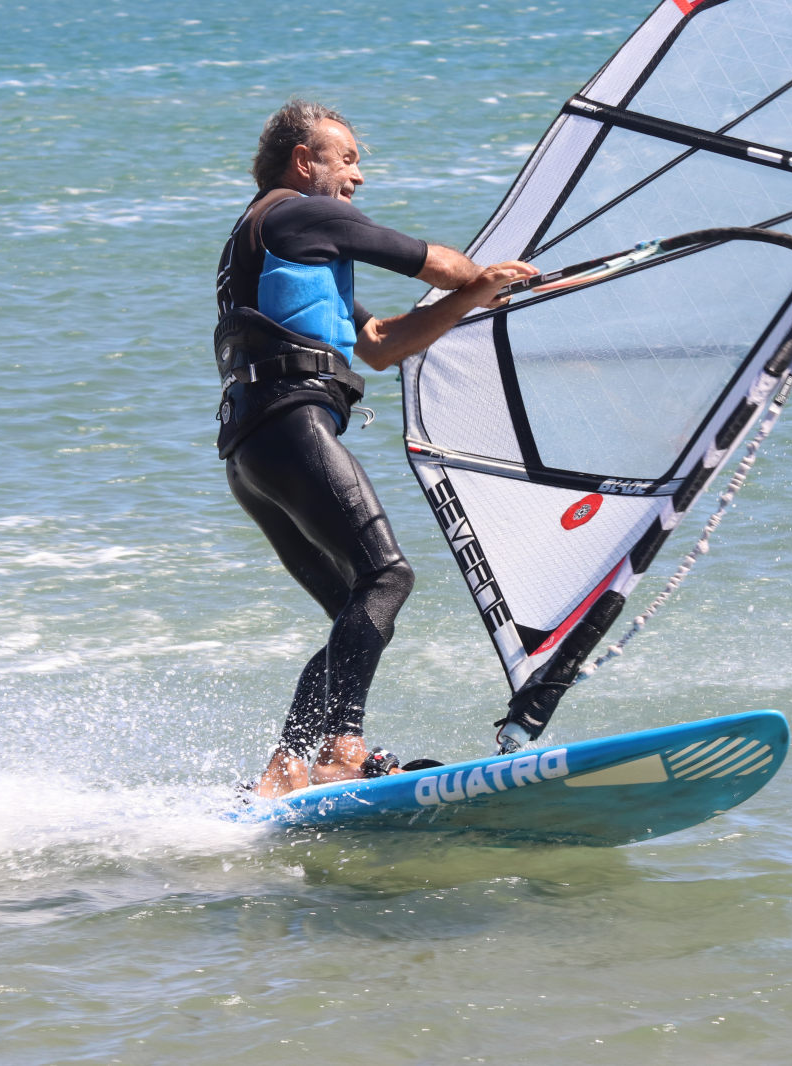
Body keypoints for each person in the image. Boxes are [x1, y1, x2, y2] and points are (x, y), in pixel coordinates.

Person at [214, 99, 535, 799]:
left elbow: (383, 345)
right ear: (306, 161)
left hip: (251, 452)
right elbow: (442, 266)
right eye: (348, 159)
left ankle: (286, 766)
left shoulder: (275, 238)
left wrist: (475, 298)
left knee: (354, 614)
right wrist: (481, 278)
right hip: (291, 425)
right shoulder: (300, 212)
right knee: (387, 578)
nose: (358, 177)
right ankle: (341, 747)